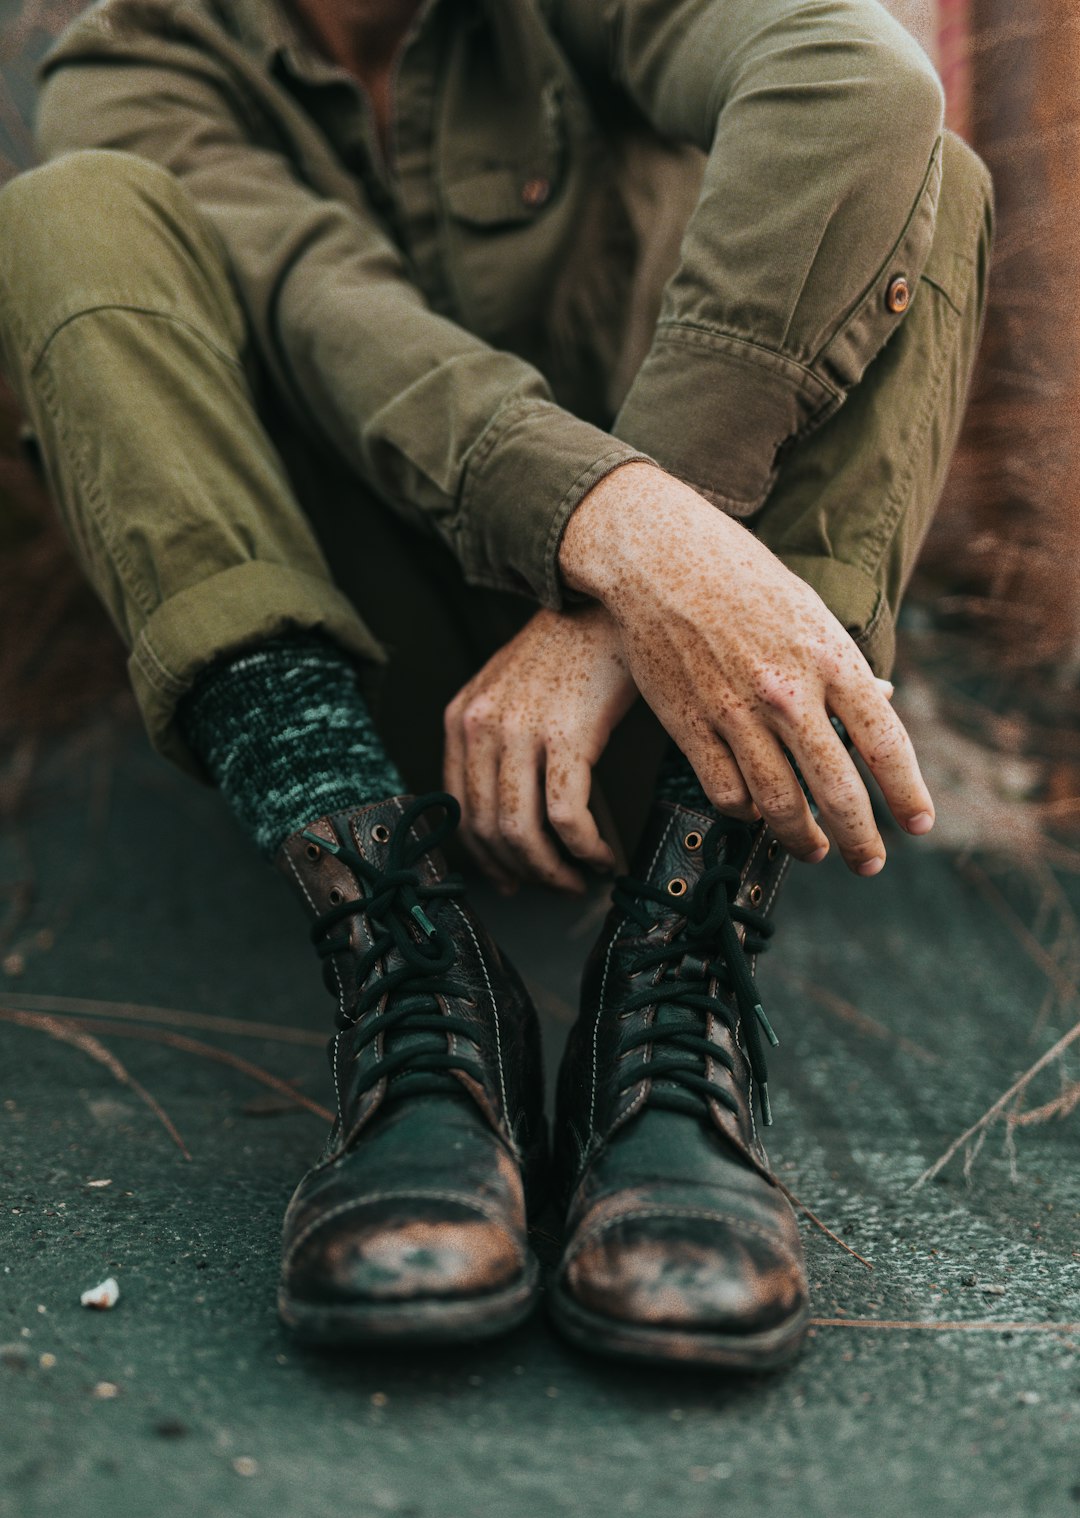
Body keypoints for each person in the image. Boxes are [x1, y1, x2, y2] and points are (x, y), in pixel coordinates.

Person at [0, 0, 992, 1370]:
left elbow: (857, 77)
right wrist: (614, 532)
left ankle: (676, 965)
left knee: (929, 184)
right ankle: (406, 963)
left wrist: (609, 608)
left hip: (681, 702)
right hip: (371, 696)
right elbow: (325, 306)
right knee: (66, 218)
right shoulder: (141, 59)